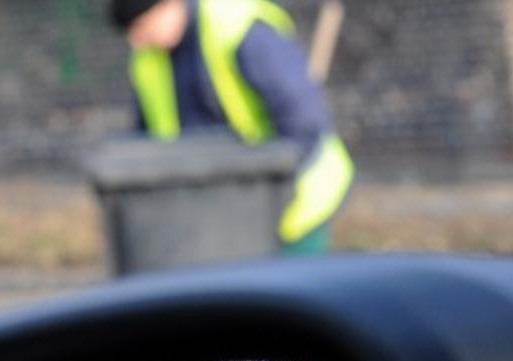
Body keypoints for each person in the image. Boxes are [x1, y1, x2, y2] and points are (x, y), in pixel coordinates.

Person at [110, 0, 355, 255]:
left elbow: (303, 121)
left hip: (295, 205)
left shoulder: (239, 30)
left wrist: (267, 187)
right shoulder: (149, 59)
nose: (136, 41)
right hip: (218, 218)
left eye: (141, 26)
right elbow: (147, 139)